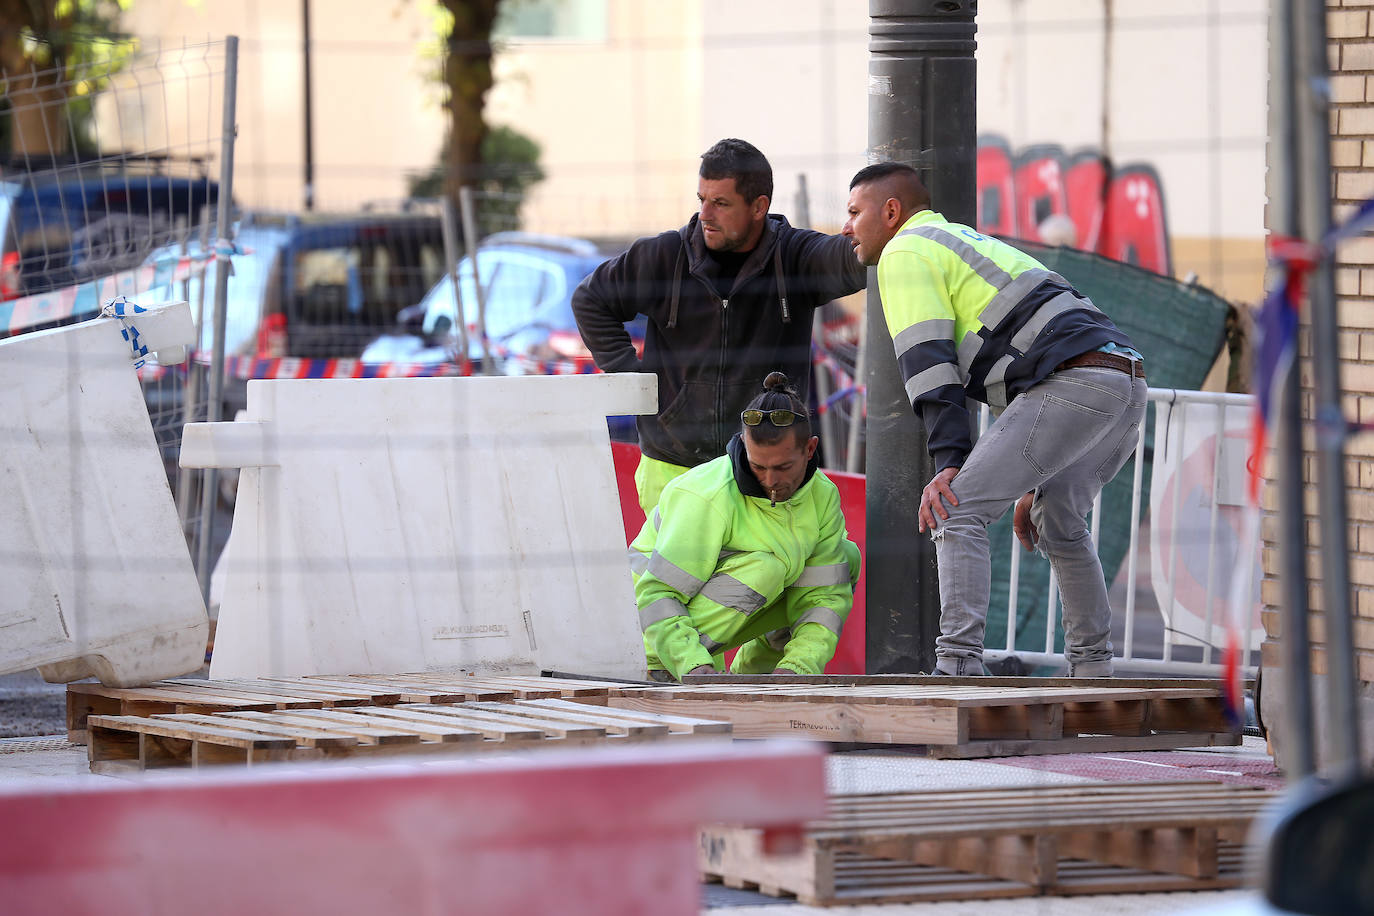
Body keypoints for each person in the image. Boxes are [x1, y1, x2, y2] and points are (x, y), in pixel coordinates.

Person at [842, 162, 1146, 677]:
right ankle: (1093, 674)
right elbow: (1020, 354)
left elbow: (928, 361)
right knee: (1062, 526)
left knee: (955, 510)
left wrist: (949, 463)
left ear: (890, 212)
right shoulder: (963, 241)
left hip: (1073, 381)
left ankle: (958, 667)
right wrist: (1028, 484)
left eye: (853, 212)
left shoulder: (906, 251)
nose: (846, 226)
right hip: (1125, 380)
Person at [573, 138, 867, 514]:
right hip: (671, 468)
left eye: (721, 203)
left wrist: (875, 228)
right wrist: (635, 380)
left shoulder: (793, 258)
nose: (705, 214)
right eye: (702, 199)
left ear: (760, 206)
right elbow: (590, 299)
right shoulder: (665, 256)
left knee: (764, 572)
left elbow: (848, 260)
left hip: (765, 472)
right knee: (671, 575)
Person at [629, 372, 861, 682]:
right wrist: (692, 666)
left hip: (703, 617)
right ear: (742, 445)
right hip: (643, 629)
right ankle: (664, 667)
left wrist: (798, 670)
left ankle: (760, 678)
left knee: (847, 558)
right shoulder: (707, 495)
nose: (770, 480)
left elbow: (824, 598)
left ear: (809, 449)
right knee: (768, 567)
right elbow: (657, 594)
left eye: (783, 467)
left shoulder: (822, 495)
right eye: (758, 466)